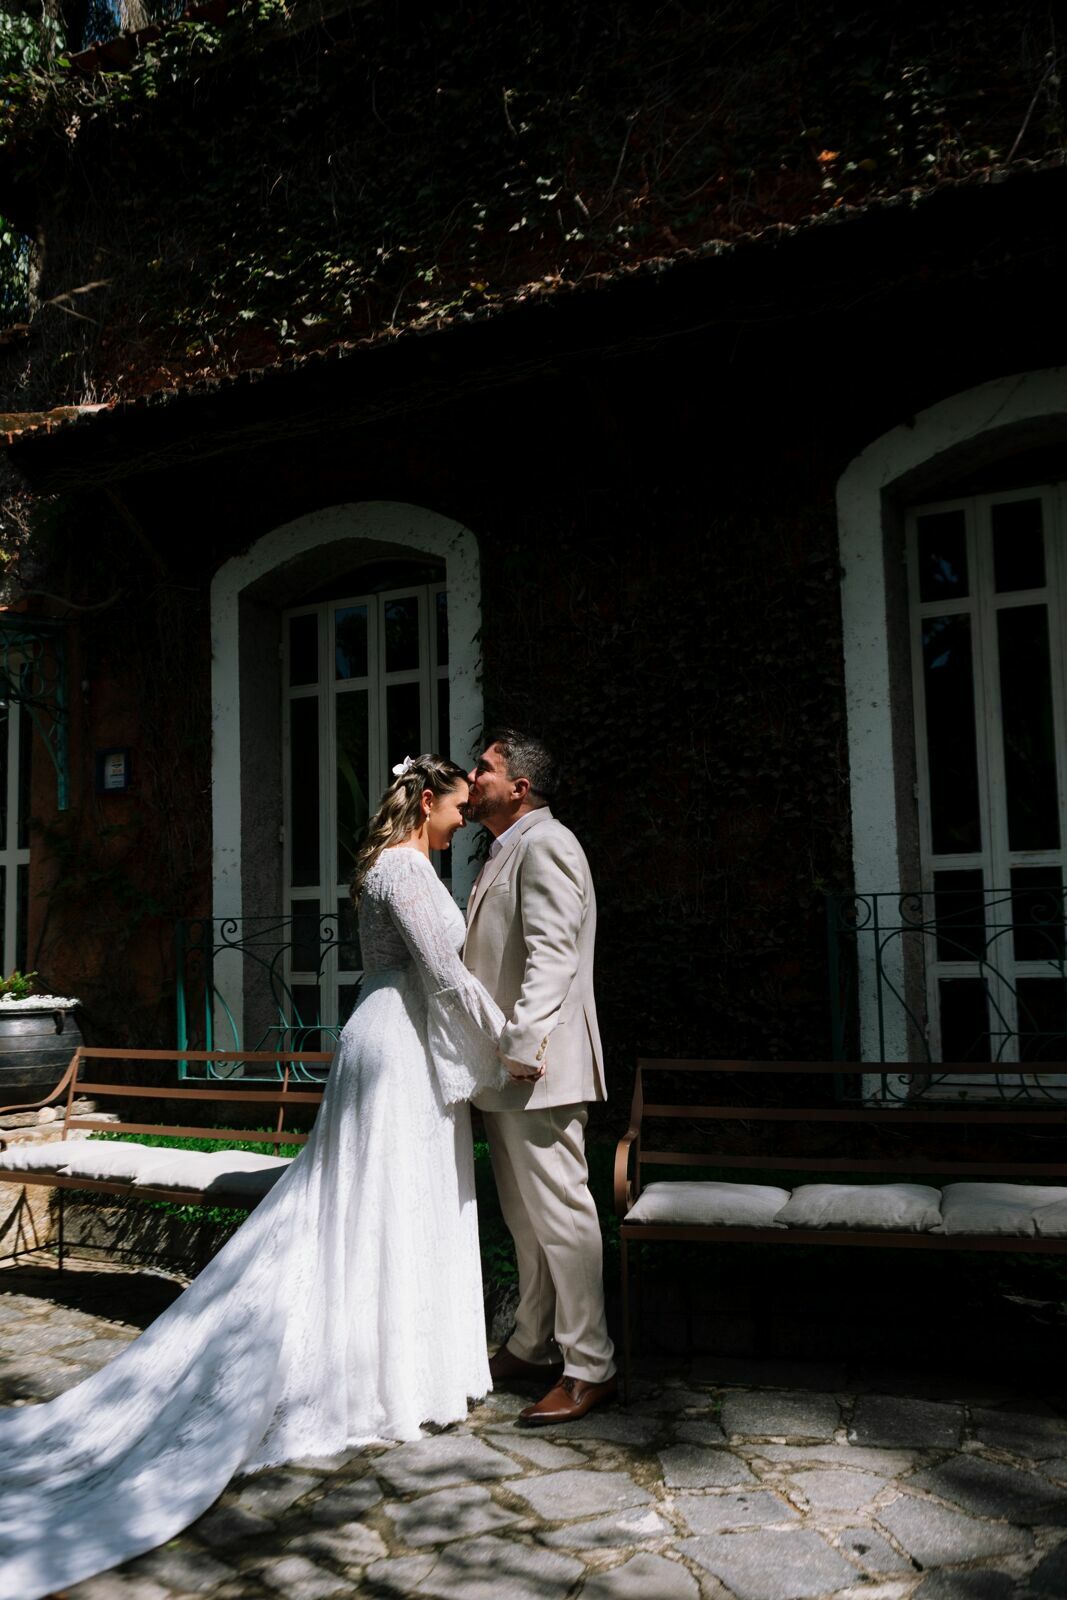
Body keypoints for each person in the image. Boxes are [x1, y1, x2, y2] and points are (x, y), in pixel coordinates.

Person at [0, 754, 511, 1600]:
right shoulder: (409, 869)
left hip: (385, 1036)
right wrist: (513, 1041)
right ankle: (382, 1375)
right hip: (397, 1048)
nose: (462, 822)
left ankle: (399, 1363)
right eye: (457, 807)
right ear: (427, 801)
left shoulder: (387, 864)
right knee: (385, 1207)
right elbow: (449, 975)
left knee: (378, 1207)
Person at [463, 729, 617, 1424]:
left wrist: (522, 1044)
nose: (472, 777)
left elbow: (550, 955)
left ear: (518, 786)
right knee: (525, 1220)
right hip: (506, 1067)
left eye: (484, 768)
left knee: (562, 1214)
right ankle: (530, 1343)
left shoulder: (548, 844)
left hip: (539, 1066)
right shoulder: (503, 848)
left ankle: (589, 1364)